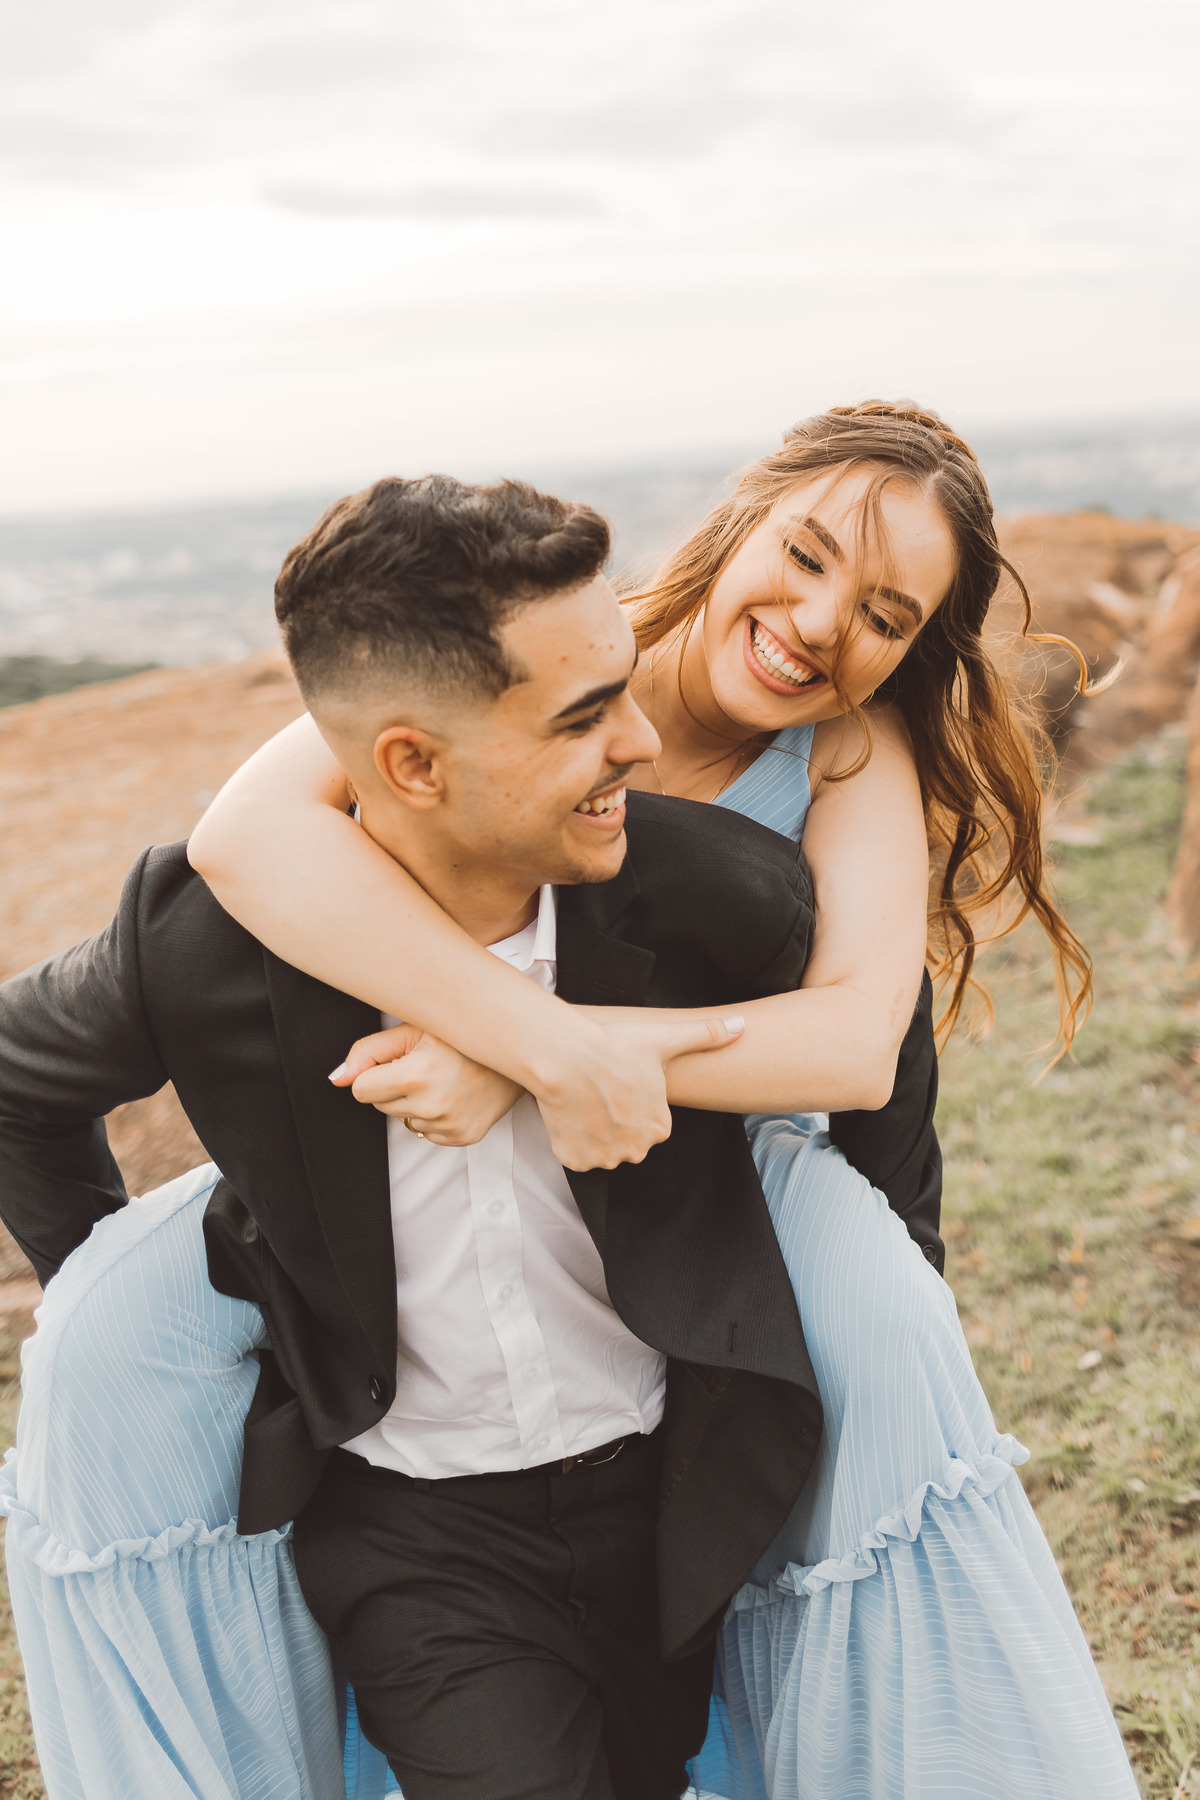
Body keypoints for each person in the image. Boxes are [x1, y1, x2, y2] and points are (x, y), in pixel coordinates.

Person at [0, 402, 1138, 1799]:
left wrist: (541, 1059)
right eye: (811, 554)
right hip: (459, 1290)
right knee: (115, 1341)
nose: (826, 622)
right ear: (746, 513)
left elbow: (857, 1051)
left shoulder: (842, 761)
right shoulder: (543, 647)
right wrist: (530, 1044)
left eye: (889, 616)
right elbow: (248, 837)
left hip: (703, 1194)